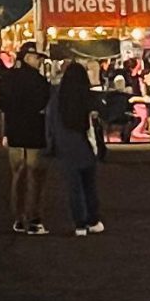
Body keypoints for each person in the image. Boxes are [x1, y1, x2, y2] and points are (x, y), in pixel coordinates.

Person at [46, 61, 105, 234]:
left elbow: (50, 121)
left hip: (65, 145)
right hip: (84, 143)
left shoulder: (58, 97)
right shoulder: (86, 95)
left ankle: (79, 224)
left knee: (74, 186)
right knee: (89, 185)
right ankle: (93, 220)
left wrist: (52, 143)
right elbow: (98, 115)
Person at [0, 46, 51, 235]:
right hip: (34, 130)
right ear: (28, 57)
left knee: (17, 174)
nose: (39, 62)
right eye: (37, 58)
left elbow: (2, 106)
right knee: (35, 175)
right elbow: (44, 104)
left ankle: (18, 218)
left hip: (15, 130)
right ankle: (34, 218)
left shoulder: (6, 80)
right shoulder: (40, 81)